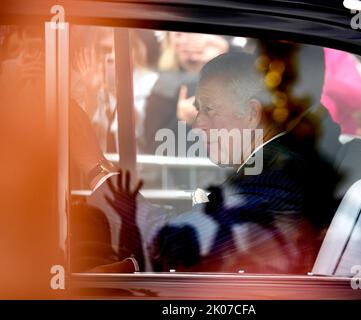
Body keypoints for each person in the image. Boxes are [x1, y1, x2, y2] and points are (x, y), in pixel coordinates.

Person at [93, 44, 341, 274]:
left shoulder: (277, 179)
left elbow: (173, 248)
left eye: (209, 109)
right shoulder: (271, 166)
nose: (198, 124)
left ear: (252, 113)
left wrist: (95, 168)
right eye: (198, 109)